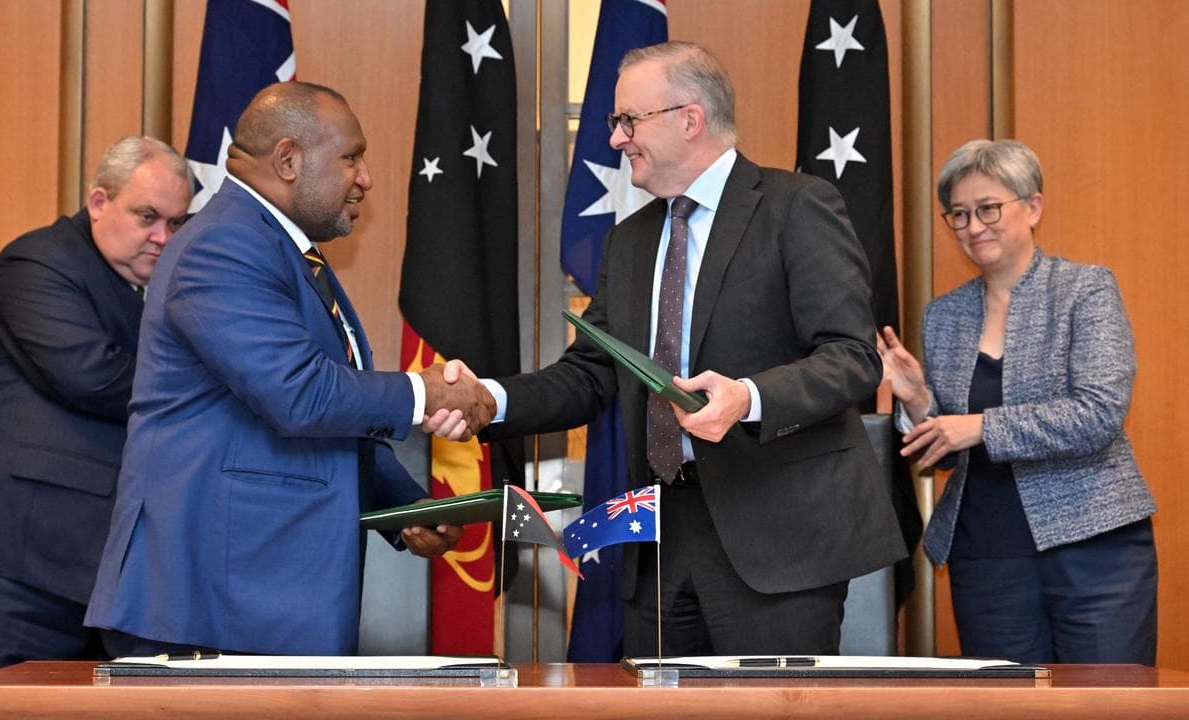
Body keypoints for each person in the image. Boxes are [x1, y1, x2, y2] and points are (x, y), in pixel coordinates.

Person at [463, 42, 905, 656]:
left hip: (777, 539)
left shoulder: (796, 207)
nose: (616, 139)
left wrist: (746, 398)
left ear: (689, 119)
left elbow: (853, 358)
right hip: (660, 540)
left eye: (627, 121)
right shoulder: (629, 241)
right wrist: (489, 398)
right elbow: (592, 374)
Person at [84, 81, 493, 658]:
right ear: (288, 159)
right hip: (203, 601)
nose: (366, 178)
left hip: (259, 595)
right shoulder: (224, 245)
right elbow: (298, 394)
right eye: (351, 156)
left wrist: (402, 510)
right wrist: (422, 392)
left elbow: (314, 420)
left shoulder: (284, 250)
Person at [0, 137, 193, 719]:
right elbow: (91, 377)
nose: (164, 238)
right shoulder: (39, 261)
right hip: (3, 550)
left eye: (177, 222)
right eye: (148, 217)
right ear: (97, 201)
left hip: (89, 570)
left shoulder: (153, 295)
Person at [879, 139, 1158, 664]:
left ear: (1032, 207)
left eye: (988, 208)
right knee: (1008, 704)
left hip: (1094, 547)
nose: (973, 226)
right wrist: (917, 400)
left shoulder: (1085, 290)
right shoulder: (944, 316)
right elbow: (943, 446)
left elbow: (1098, 413)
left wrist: (982, 426)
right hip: (986, 555)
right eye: (958, 215)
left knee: (1107, 704)